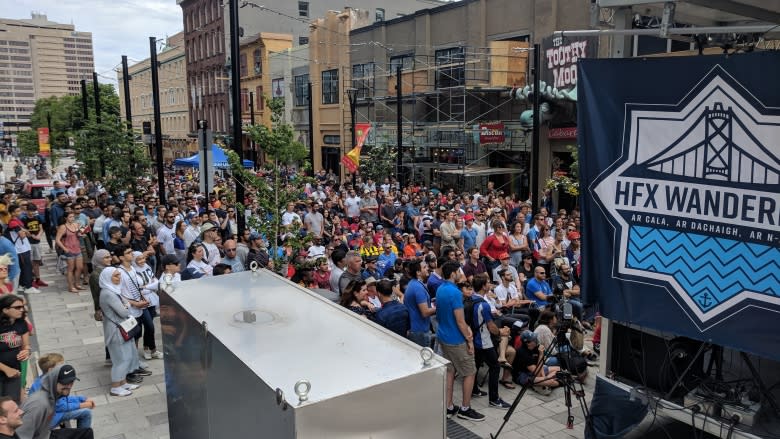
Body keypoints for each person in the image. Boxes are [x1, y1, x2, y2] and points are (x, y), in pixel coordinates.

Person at [436, 261, 484, 422]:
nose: (461, 274)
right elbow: (460, 321)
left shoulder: (440, 288)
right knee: (470, 372)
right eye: (459, 271)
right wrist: (469, 340)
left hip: (443, 337)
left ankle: (448, 407)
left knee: (450, 372)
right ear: (453, 273)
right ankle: (465, 408)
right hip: (456, 339)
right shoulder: (455, 293)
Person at [461, 280, 512, 409]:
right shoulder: (484, 305)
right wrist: (501, 331)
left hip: (473, 338)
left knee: (476, 365)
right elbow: (491, 327)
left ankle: (474, 390)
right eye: (488, 283)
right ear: (484, 286)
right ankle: (494, 399)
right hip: (483, 341)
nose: (490, 285)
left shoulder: (469, 298)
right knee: (495, 367)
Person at [17, 364, 95, 439]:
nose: (69, 386)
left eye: (71, 382)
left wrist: (82, 399)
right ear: (54, 381)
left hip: (45, 434)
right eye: (65, 382)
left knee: (87, 433)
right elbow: (21, 435)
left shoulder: (52, 394)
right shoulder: (39, 404)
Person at [98, 268, 143, 398]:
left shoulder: (112, 290)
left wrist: (125, 305)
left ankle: (123, 383)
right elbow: (123, 312)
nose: (119, 278)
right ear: (107, 277)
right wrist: (127, 305)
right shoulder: (108, 293)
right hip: (116, 331)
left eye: (119, 275)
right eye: (116, 276)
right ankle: (115, 388)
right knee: (121, 359)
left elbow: (123, 307)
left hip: (122, 328)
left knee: (127, 356)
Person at [512, 330, 560, 396]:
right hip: (523, 375)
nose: (536, 340)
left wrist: (544, 377)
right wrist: (541, 355)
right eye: (534, 340)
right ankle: (558, 382)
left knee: (559, 369)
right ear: (528, 343)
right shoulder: (522, 352)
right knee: (550, 381)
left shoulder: (536, 347)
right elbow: (537, 373)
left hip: (537, 368)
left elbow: (541, 367)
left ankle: (543, 384)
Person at [0, 295, 29, 403]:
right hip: (6, 371)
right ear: (5, 309)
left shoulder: (21, 323)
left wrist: (26, 351)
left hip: (15, 372)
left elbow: (26, 345)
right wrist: (6, 369)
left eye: (22, 307)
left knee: (13, 404)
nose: (21, 310)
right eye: (17, 307)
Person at [404, 260, 435, 348]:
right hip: (420, 332)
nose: (427, 269)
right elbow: (425, 312)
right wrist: (440, 306)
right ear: (418, 272)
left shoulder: (415, 283)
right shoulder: (417, 288)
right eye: (424, 267)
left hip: (418, 329)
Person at [55, 211, 85, 294]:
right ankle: (71, 286)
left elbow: (77, 235)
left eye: (73, 217)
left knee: (80, 267)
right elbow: (57, 239)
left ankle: (77, 284)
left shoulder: (75, 224)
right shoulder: (63, 227)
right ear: (66, 218)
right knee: (70, 269)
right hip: (69, 249)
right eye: (70, 217)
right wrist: (64, 248)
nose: (72, 218)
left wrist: (81, 235)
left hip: (77, 248)